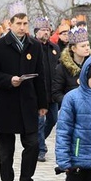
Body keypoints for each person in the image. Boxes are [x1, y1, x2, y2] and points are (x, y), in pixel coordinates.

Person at [0, 3, 47, 181]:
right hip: (6, 104)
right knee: (6, 152)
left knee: (32, 145)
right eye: (18, 23)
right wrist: (9, 80)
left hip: (28, 103)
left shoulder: (35, 45)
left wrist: (43, 103)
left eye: (25, 23)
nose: (22, 27)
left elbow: (41, 75)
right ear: (10, 24)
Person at [33, 16, 60, 162]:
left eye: (48, 30)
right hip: (38, 92)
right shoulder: (32, 47)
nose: (46, 32)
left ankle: (38, 141)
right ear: (36, 32)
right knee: (39, 121)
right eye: (43, 30)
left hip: (52, 92)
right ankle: (41, 149)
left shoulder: (55, 48)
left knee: (53, 119)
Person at [51, 26, 91, 105]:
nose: (87, 48)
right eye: (83, 46)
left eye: (88, 45)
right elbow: (56, 93)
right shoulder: (62, 68)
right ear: (73, 49)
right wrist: (71, 102)